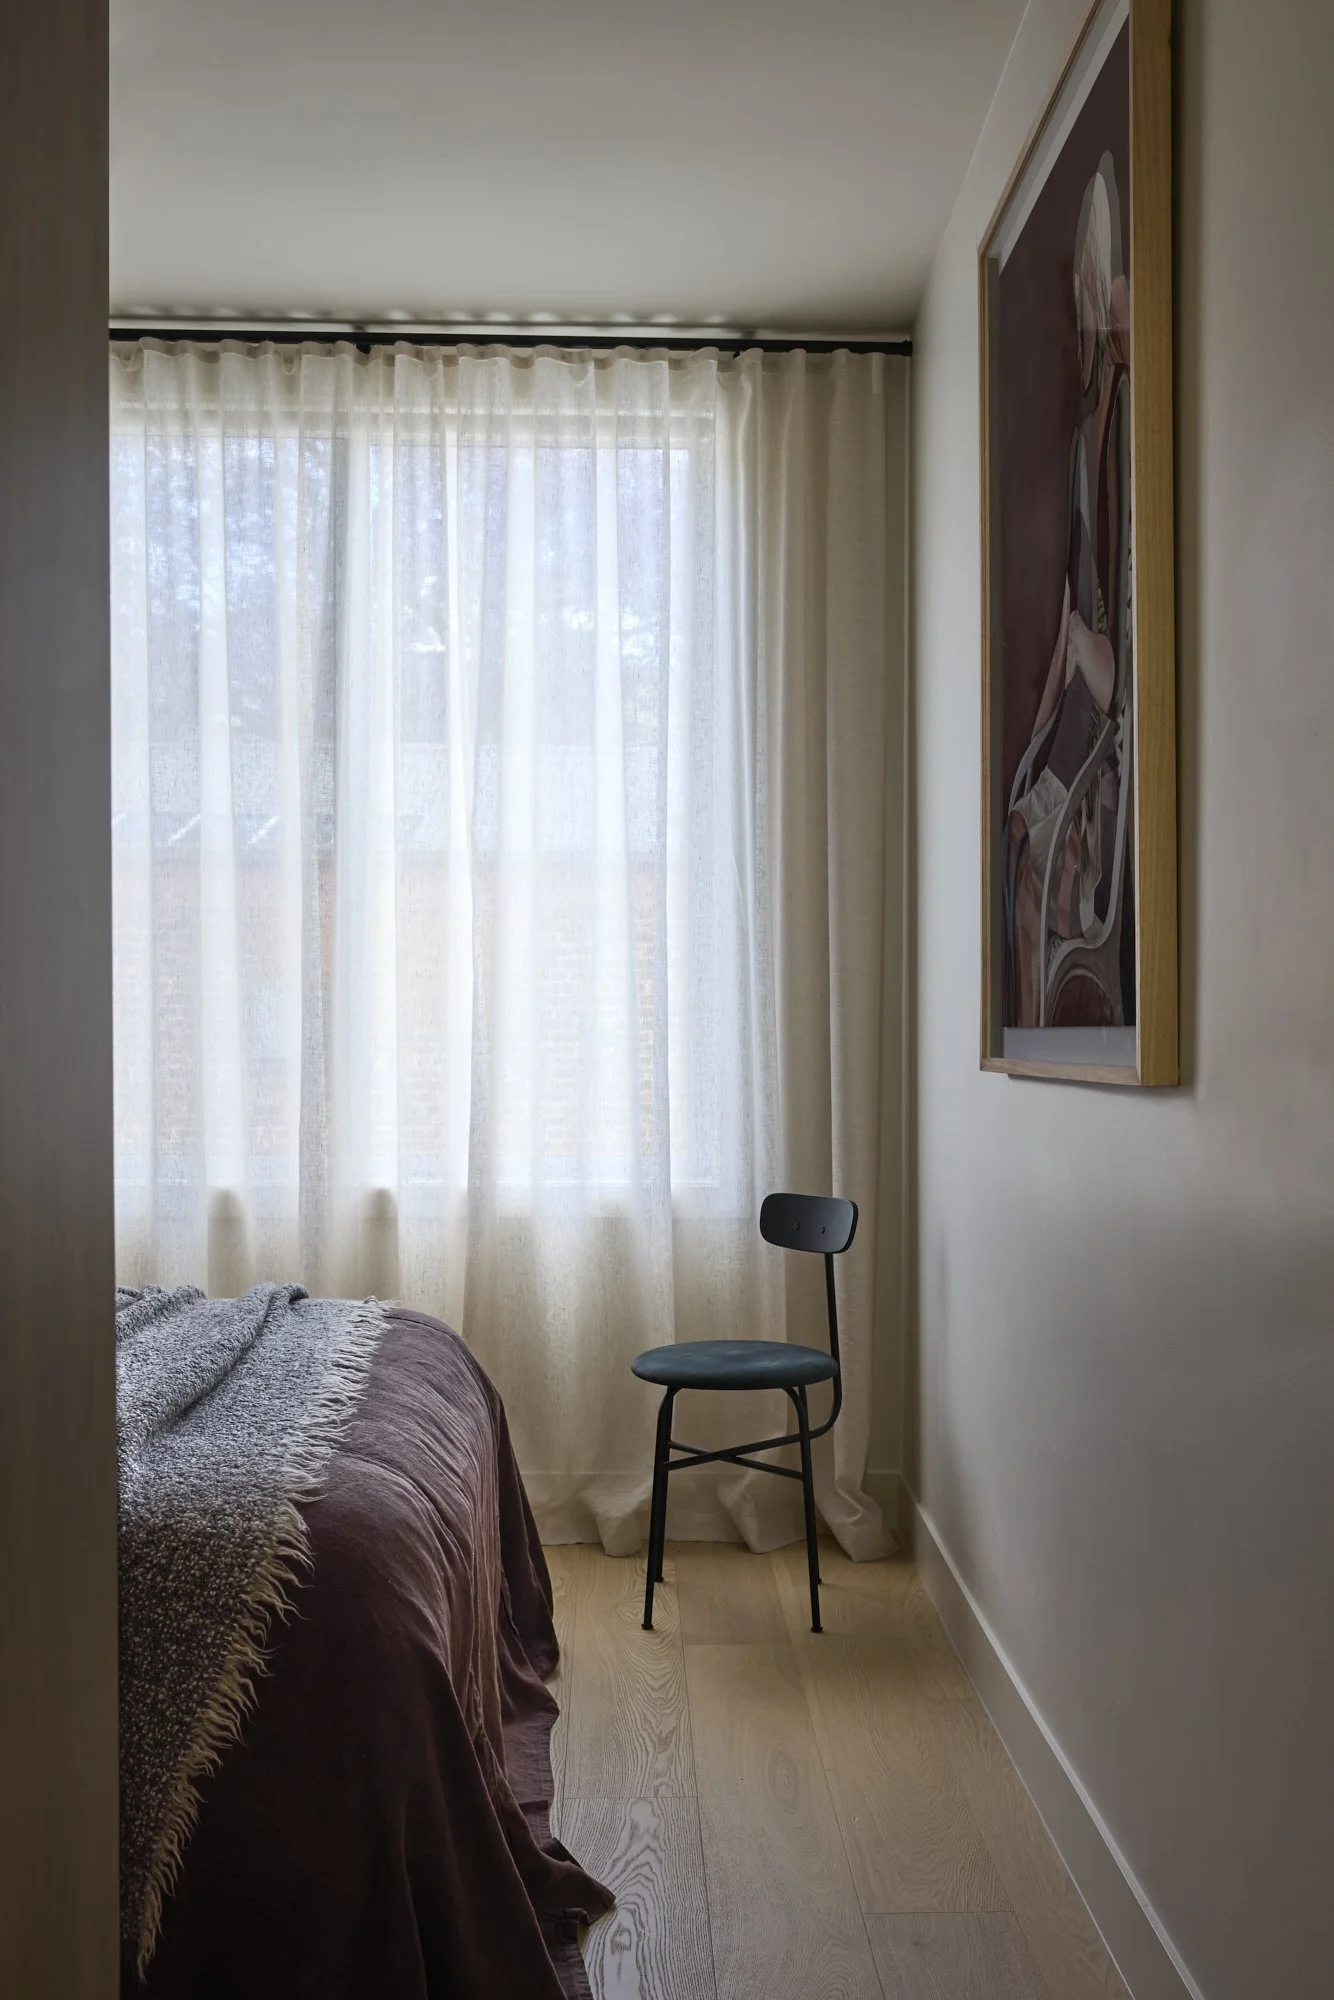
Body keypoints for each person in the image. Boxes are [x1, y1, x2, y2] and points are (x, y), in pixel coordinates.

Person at [1004, 151, 1132, 1028]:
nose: (1092, 302)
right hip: (1079, 733)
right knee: (1021, 834)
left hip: (1109, 749)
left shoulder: (1123, 434)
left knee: (1037, 858)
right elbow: (1069, 627)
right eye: (1087, 286)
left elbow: (1117, 633)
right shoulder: (1091, 430)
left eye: (1101, 282)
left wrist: (1092, 669)